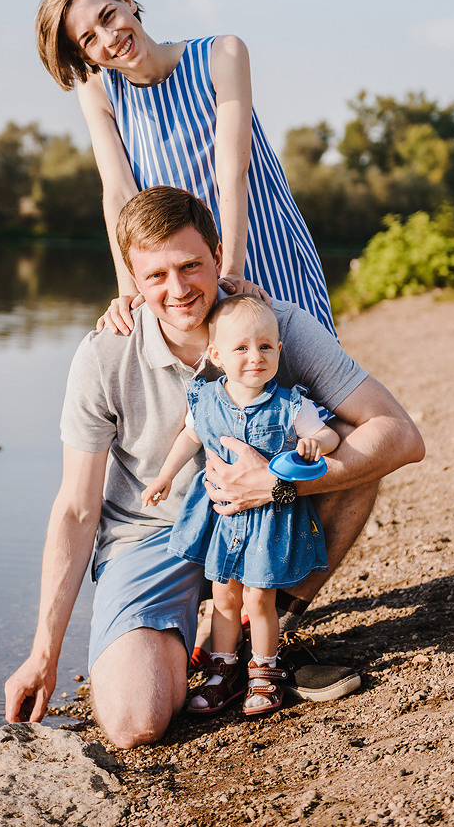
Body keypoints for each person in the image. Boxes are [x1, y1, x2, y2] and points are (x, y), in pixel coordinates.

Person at [4, 186, 425, 749]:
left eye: (190, 265)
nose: (177, 290)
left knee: (353, 445)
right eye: (155, 276)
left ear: (219, 254)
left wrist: (278, 482)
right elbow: (78, 509)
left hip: (266, 519)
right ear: (130, 278)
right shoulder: (104, 354)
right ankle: (187, 640)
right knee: (136, 723)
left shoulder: (274, 329)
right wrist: (42, 653)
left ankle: (265, 632)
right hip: (150, 536)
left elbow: (401, 434)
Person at [35, 0, 337, 336]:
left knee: (303, 373)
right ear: (86, 57)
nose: (109, 37)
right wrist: (128, 293)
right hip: (185, 276)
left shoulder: (222, 54)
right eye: (89, 39)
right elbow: (118, 193)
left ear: (126, 1)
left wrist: (231, 275)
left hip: (260, 242)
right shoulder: (98, 91)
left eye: (108, 15)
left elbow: (232, 171)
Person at [142, 294, 341, 717]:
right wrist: (165, 475)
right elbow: (190, 438)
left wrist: (314, 445)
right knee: (223, 598)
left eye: (266, 346)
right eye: (242, 348)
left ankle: (264, 671)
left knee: (258, 598)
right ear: (216, 354)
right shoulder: (207, 399)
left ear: (279, 350)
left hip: (268, 519)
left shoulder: (291, 404)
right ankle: (223, 671)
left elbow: (330, 436)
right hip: (222, 517)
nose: (256, 356)